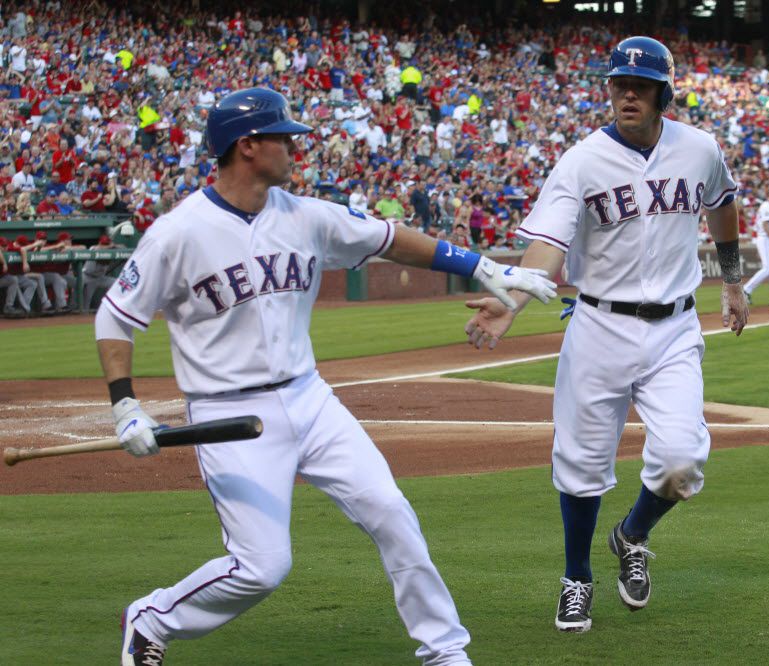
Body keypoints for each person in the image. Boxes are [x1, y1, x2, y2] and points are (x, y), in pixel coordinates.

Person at [98, 88, 555, 666]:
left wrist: (482, 266)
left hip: (310, 399)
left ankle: (444, 651)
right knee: (262, 567)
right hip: (228, 418)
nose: (295, 146)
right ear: (248, 146)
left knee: (391, 511)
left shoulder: (306, 215)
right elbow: (115, 315)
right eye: (283, 137)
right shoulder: (178, 232)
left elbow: (392, 240)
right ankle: (153, 617)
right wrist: (124, 406)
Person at [462, 37, 748, 633]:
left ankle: (632, 534)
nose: (627, 94)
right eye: (619, 83)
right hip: (598, 325)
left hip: (673, 326)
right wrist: (511, 299)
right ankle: (576, 578)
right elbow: (548, 243)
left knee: (681, 461)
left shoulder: (698, 149)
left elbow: (722, 205)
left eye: (640, 86)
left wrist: (734, 279)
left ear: (663, 94)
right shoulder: (582, 160)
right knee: (581, 464)